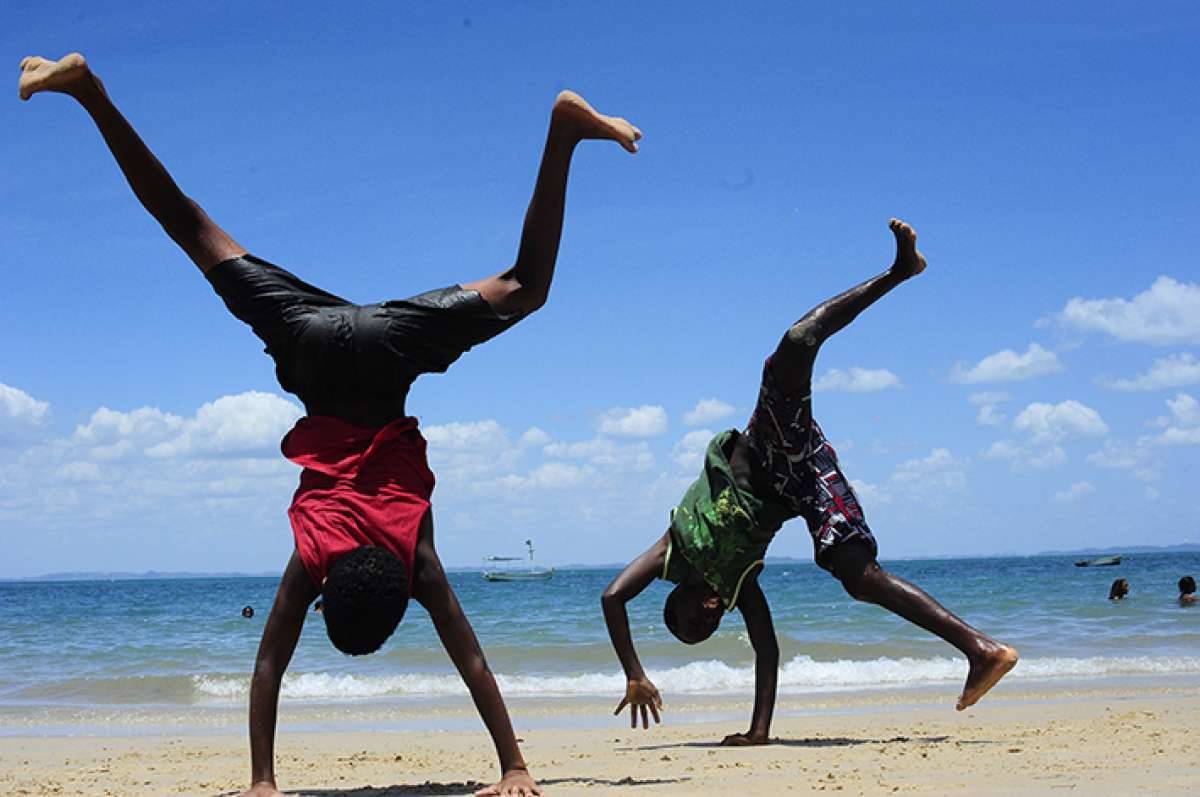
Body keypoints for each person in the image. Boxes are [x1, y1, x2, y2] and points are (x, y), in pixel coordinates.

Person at [20, 52, 641, 797]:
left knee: (524, 285)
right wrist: (261, 783)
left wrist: (515, 764)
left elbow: (470, 660)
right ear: (326, 591)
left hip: (386, 347)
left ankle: (564, 134)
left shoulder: (417, 561)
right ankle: (86, 90)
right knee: (189, 227)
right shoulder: (315, 554)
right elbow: (269, 665)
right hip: (309, 342)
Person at [602, 220, 1019, 744]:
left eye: (692, 617)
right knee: (858, 575)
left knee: (797, 341)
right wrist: (759, 733)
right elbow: (767, 649)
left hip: (771, 445)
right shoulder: (739, 585)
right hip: (802, 481)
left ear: (677, 594)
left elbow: (613, 598)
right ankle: (982, 650)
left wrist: (634, 672)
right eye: (708, 627)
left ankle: (899, 271)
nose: (708, 615)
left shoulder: (673, 552)